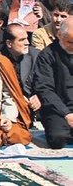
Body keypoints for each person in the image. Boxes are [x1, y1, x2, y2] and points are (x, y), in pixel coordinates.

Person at [34, 17, 73, 149]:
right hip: (58, 109)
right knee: (57, 138)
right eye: (70, 42)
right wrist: (66, 113)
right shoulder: (47, 55)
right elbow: (44, 89)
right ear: (59, 35)